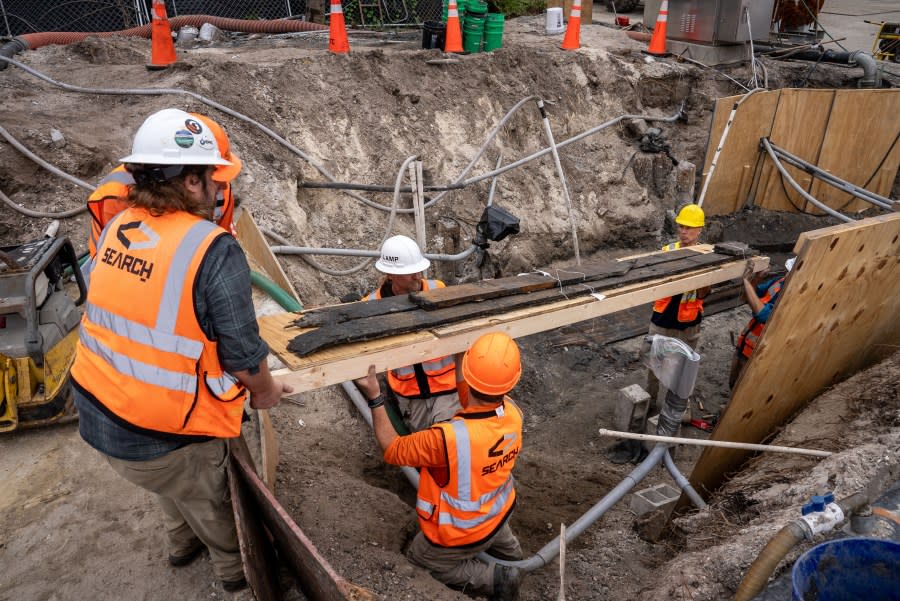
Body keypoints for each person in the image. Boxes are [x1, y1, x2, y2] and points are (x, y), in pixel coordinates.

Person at [70, 108, 292, 593]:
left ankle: (179, 542)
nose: (219, 189)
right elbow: (242, 352)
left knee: (169, 481)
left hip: (98, 410)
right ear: (191, 181)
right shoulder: (211, 249)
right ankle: (234, 571)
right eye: (213, 177)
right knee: (211, 498)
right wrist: (266, 391)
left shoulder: (117, 225)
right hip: (160, 430)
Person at [355, 331, 525, 601]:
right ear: (512, 381)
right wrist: (459, 352)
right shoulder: (513, 413)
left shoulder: (446, 440)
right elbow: (469, 396)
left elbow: (392, 449)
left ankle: (494, 579)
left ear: (469, 374)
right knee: (503, 543)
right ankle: (513, 557)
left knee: (421, 560)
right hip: (499, 513)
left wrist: (375, 397)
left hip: (460, 532)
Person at [86, 112, 241, 257]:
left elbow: (222, 248)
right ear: (192, 179)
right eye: (213, 176)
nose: (223, 186)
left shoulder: (219, 191)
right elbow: (109, 259)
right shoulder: (116, 195)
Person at [364, 234, 461, 431]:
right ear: (390, 275)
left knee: (446, 444)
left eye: (419, 270)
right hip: (409, 399)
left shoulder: (437, 289)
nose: (418, 276)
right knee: (422, 452)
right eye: (410, 273)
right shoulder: (371, 306)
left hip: (447, 391)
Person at [645, 203, 709, 408]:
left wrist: (703, 277)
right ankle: (650, 403)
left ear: (700, 229)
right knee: (653, 363)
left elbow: (702, 294)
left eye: (689, 228)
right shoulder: (667, 251)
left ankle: (673, 407)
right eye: (681, 227)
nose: (683, 232)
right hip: (662, 317)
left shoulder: (707, 255)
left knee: (683, 367)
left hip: (688, 322)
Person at [729, 257, 794, 388]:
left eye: (791, 273)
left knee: (744, 389)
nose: (787, 275)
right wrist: (757, 278)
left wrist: (746, 281)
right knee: (734, 382)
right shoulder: (780, 282)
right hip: (746, 342)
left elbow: (763, 315)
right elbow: (748, 296)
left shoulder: (793, 297)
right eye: (787, 271)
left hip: (759, 352)